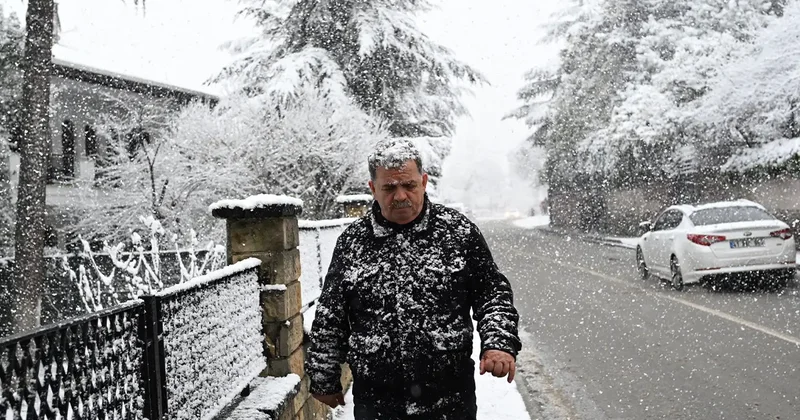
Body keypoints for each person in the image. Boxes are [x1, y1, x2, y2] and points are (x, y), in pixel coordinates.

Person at [306, 139, 521, 420]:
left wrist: (498, 343)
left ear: (424, 181)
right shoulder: (353, 242)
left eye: (408, 185)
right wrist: (324, 376)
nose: (400, 196)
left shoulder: (458, 233)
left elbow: (493, 294)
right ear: (373, 189)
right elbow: (331, 313)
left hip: (449, 399)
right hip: (377, 402)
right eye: (389, 188)